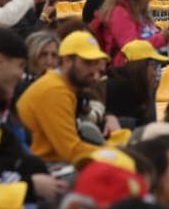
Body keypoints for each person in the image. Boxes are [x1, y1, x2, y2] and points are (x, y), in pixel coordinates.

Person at [16, 30, 110, 165]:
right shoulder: (55, 90)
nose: (93, 71)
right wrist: (115, 155)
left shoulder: (64, 86)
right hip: (43, 166)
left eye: (96, 63)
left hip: (49, 162)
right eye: (87, 62)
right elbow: (71, 151)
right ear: (66, 61)